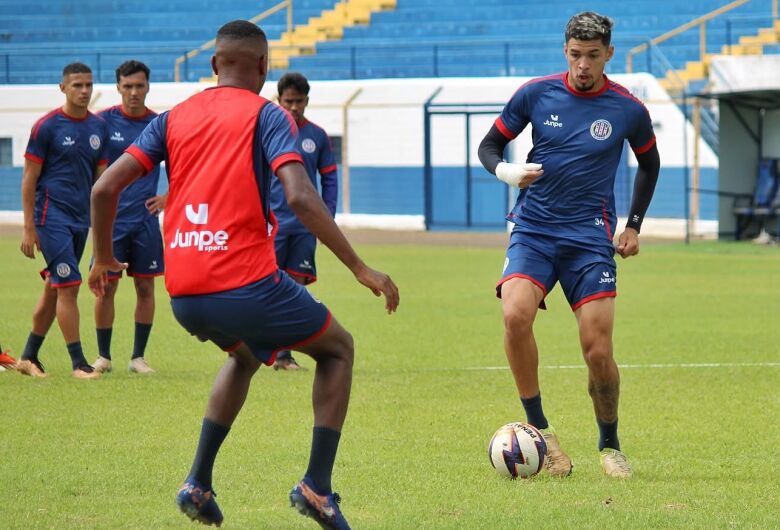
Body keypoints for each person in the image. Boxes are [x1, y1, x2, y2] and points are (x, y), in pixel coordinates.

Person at [89, 20, 398, 529]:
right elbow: (300, 195)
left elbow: (103, 189)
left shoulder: (172, 117)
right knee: (338, 349)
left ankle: (197, 482)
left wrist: (102, 257)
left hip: (185, 293)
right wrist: (360, 267)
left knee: (245, 354)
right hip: (247, 284)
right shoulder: (267, 114)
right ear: (264, 66)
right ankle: (317, 488)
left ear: (214, 64)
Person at [478, 11, 660, 479]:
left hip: (589, 238)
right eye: (576, 55)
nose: (583, 65)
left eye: (593, 56)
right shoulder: (535, 94)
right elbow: (488, 147)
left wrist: (633, 226)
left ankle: (610, 444)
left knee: (598, 352)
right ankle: (542, 433)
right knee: (515, 314)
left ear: (608, 54)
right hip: (534, 230)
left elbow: (649, 163)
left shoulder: (627, 109)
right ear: (565, 51)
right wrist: (507, 171)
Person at [17, 62, 108, 380]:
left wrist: (101, 230)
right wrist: (29, 227)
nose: (84, 91)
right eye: (77, 85)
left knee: (55, 288)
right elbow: (29, 178)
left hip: (80, 220)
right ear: (63, 88)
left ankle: (28, 357)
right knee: (69, 286)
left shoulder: (98, 128)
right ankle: (79, 364)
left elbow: (100, 184)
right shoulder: (47, 127)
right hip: (49, 217)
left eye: (88, 85)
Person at [92, 60, 166, 375]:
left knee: (146, 288)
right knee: (105, 288)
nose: (134, 92)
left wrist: (169, 197)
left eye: (139, 86)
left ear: (148, 87)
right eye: (128, 86)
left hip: (145, 222)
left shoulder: (159, 124)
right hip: (110, 222)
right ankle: (103, 357)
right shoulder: (102, 122)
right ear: (118, 87)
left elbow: (183, 164)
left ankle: (138, 358)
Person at [271, 72, 339, 371]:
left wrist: (327, 219)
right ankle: (255, 349)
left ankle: (284, 356)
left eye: (299, 101)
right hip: (271, 225)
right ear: (279, 101)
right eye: (288, 101)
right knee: (267, 285)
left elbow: (330, 179)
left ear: (307, 101)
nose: (294, 107)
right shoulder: (268, 133)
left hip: (304, 226)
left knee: (295, 286)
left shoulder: (317, 136)